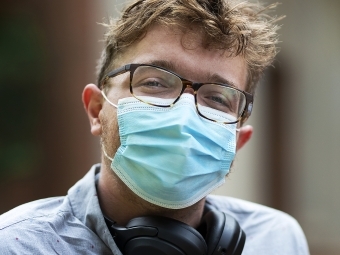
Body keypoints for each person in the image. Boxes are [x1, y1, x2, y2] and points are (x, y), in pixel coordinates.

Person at [0, 0, 310, 254]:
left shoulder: (276, 240)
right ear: (97, 110)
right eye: (155, 82)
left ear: (237, 142)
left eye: (217, 98)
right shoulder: (19, 246)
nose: (185, 112)